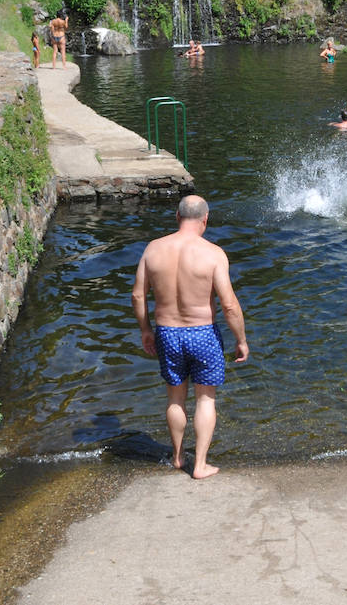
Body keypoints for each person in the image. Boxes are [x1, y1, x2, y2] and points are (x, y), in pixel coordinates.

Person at [131, 195, 249, 480]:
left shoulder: (153, 249)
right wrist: (241, 339)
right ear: (205, 220)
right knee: (205, 400)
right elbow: (229, 304)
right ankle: (199, 464)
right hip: (202, 333)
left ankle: (177, 457)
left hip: (167, 333)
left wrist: (146, 330)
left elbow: (137, 294)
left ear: (176, 216)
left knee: (175, 397)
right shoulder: (213, 253)